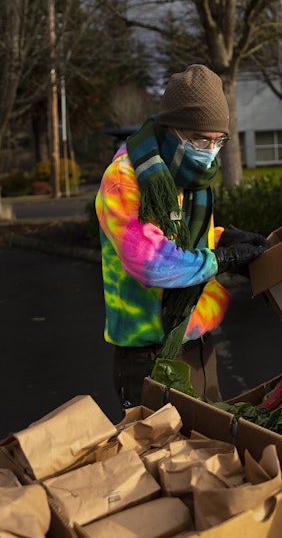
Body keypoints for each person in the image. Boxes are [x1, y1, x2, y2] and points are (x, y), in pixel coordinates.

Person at [95, 64, 269, 409]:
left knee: (212, 447)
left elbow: (185, 239)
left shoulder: (188, 176)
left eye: (218, 141)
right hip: (150, 355)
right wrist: (221, 260)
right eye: (201, 139)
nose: (210, 151)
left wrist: (222, 240)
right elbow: (151, 261)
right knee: (163, 456)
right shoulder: (125, 179)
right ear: (170, 129)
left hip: (198, 341)